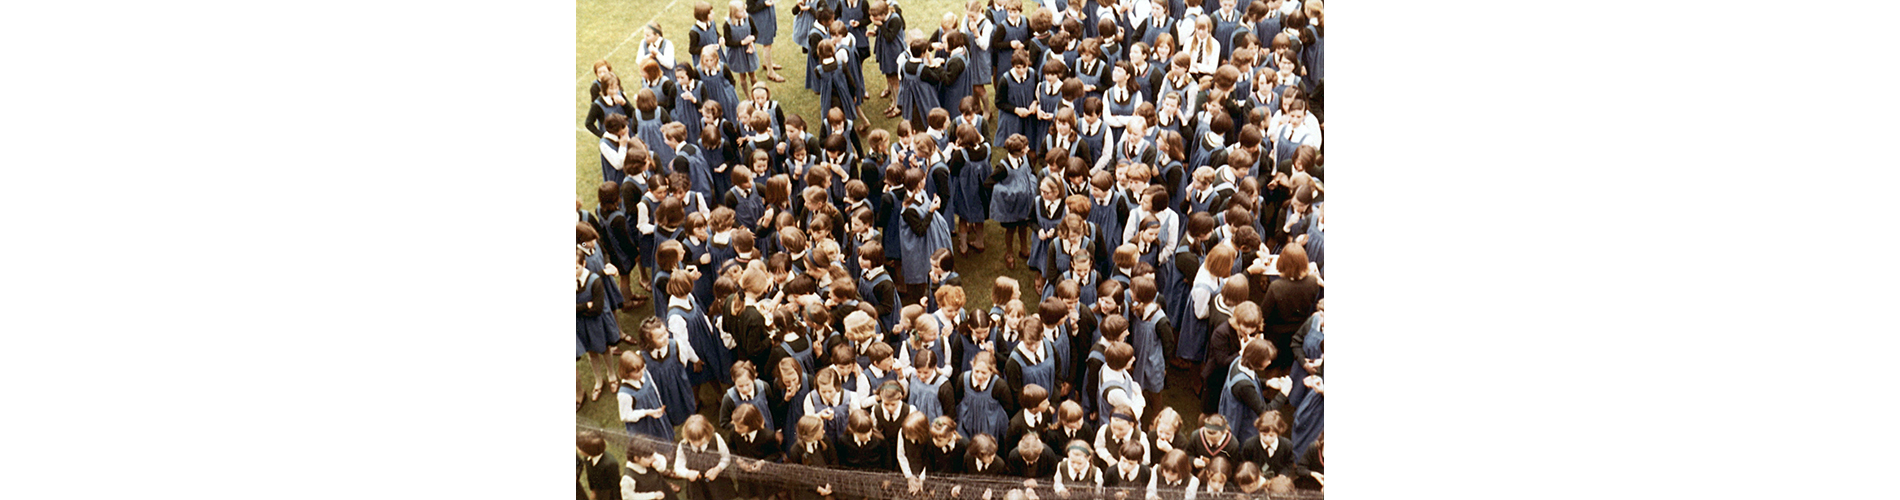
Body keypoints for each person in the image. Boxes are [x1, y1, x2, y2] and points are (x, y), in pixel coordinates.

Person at [725, 404, 781, 500]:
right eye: (735, 425)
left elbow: (776, 454)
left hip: (763, 475)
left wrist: (762, 462)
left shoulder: (768, 436)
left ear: (751, 425)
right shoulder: (734, 433)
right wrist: (738, 461)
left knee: (764, 494)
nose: (736, 429)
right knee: (747, 494)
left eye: (741, 427)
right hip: (744, 475)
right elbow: (731, 448)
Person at [619, 351, 675, 441]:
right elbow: (625, 416)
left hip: (656, 413)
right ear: (626, 373)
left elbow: (654, 389)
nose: (641, 373)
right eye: (637, 372)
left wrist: (660, 405)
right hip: (643, 425)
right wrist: (646, 412)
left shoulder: (645, 374)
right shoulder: (625, 394)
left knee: (664, 435)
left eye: (642, 368)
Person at [578, 430, 623, 500]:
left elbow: (615, 486)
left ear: (587, 450)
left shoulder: (610, 464)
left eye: (578, 447)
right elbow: (591, 476)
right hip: (598, 491)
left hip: (609, 494)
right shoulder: (587, 458)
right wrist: (593, 491)